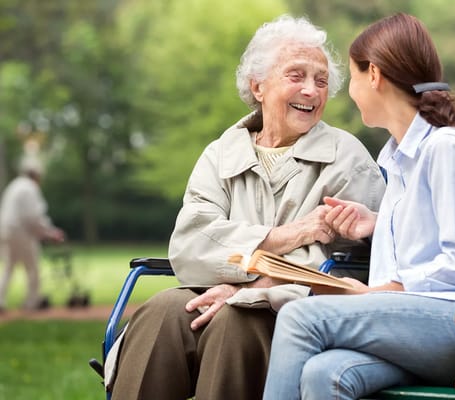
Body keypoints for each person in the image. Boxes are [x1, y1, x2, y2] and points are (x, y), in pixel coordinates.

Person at [110, 15, 386, 400]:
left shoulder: (347, 158)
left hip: (292, 312)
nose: (311, 90)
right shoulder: (220, 154)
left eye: (321, 81)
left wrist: (249, 288)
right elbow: (190, 244)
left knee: (235, 322)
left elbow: (354, 264)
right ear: (258, 86)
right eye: (296, 76)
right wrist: (286, 236)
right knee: (161, 312)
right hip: (211, 293)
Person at [262, 12, 455, 400]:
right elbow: (434, 233)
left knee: (301, 317)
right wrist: (375, 223)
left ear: (374, 75)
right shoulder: (400, 157)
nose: (348, 91)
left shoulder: (449, 148)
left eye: (352, 78)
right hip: (424, 327)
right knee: (326, 374)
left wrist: (382, 292)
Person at [0, 156, 65, 312]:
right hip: (21, 233)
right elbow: (34, 217)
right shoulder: (30, 188)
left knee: (9, 267)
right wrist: (51, 233)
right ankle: (32, 302)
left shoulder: (15, 185)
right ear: (36, 174)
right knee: (33, 268)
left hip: (6, 231)